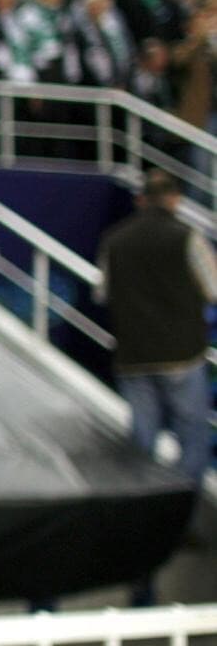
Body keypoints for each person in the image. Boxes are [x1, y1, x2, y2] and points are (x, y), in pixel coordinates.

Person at [97, 169, 216, 494]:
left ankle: (141, 509)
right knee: (192, 436)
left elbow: (102, 293)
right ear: (175, 199)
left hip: (133, 355)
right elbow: (214, 289)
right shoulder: (188, 237)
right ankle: (182, 507)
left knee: (142, 440)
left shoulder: (114, 240)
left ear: (141, 200)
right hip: (182, 355)